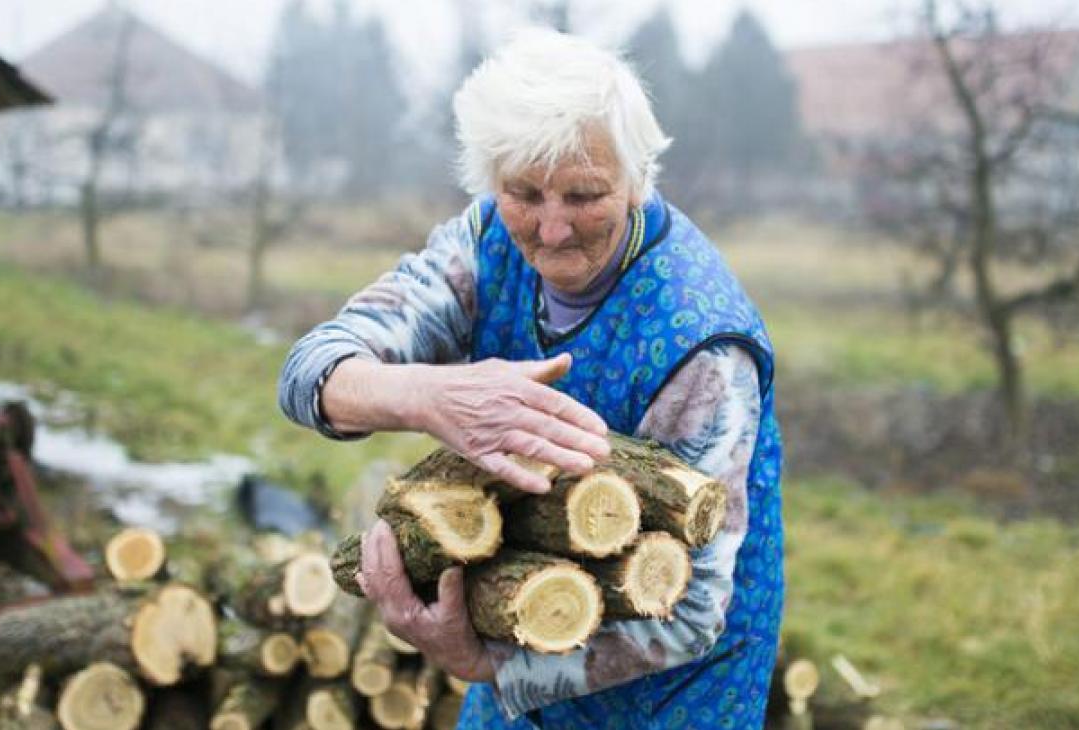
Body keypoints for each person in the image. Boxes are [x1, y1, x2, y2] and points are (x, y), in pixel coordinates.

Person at [278, 28, 783, 729]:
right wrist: (428, 395)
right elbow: (310, 370)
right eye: (523, 192)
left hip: (672, 692)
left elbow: (691, 613)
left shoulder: (702, 344)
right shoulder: (482, 244)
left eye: (584, 195)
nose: (550, 230)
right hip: (527, 621)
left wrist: (484, 663)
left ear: (637, 180)